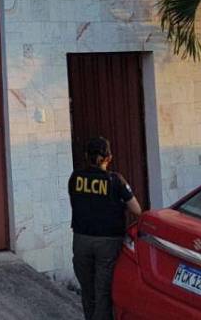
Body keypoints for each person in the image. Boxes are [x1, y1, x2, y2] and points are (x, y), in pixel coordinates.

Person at [68, 136, 142, 320]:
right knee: (103, 292)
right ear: (109, 158)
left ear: (87, 156)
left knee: (88, 290)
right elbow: (137, 210)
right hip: (108, 243)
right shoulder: (115, 180)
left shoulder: (75, 178)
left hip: (81, 240)